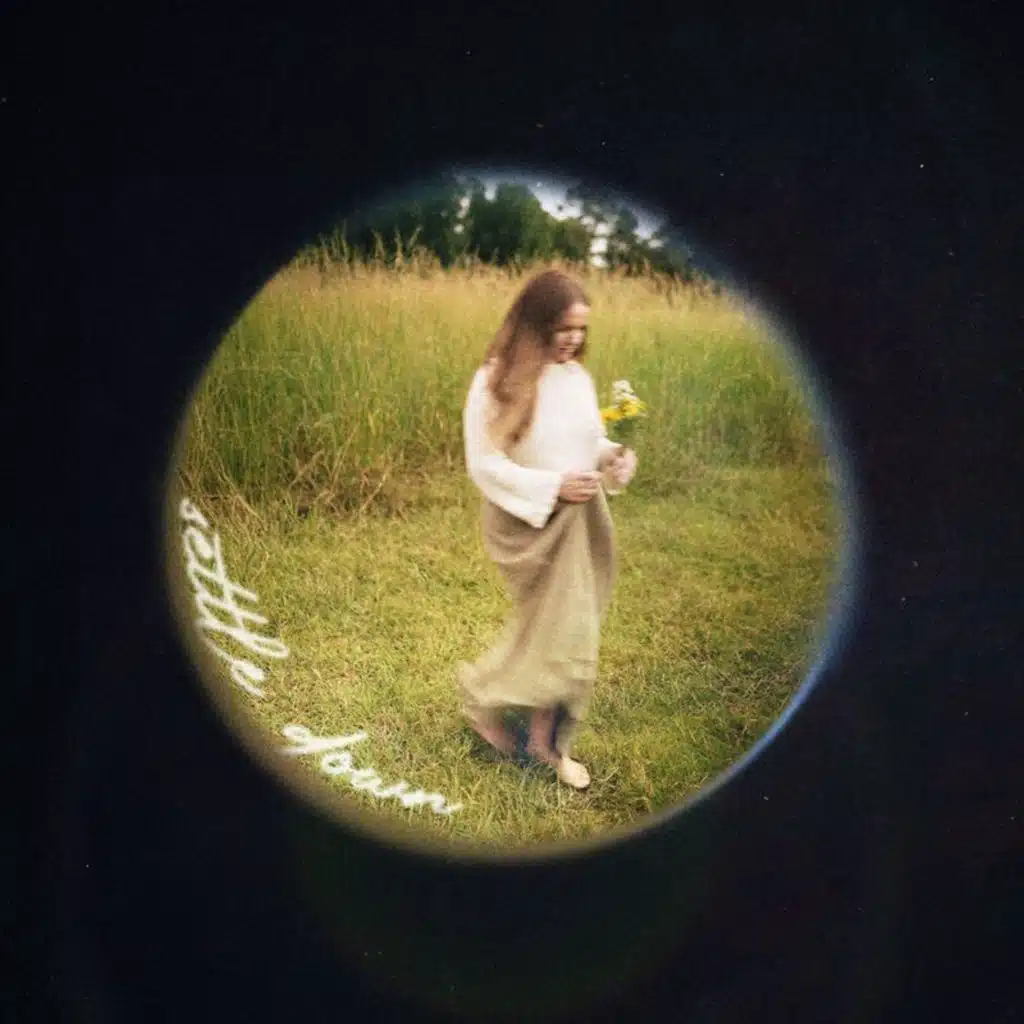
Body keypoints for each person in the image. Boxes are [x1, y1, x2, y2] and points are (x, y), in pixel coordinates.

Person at [457, 269, 638, 790]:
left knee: (566, 626)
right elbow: (483, 463)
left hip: (582, 517)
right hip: (526, 521)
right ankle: (496, 709)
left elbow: (587, 441)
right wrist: (552, 486)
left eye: (581, 329)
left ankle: (537, 737)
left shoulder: (576, 378)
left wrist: (613, 456)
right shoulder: (494, 380)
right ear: (535, 323)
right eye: (564, 328)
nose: (574, 340)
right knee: (559, 628)